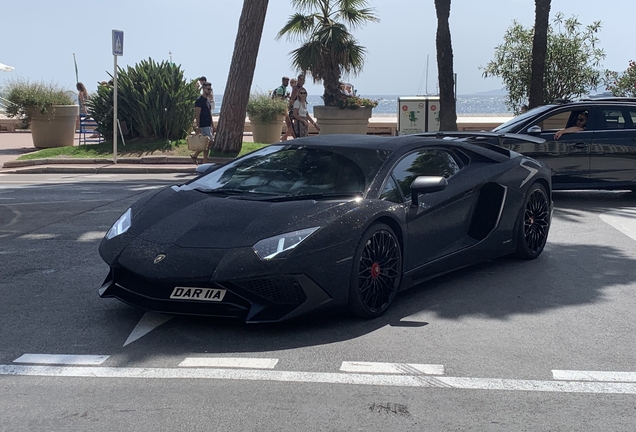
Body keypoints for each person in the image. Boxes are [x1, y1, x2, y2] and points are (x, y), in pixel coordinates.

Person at [191, 82, 214, 163]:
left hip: (208, 125)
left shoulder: (208, 100)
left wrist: (213, 125)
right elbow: (197, 114)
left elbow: (209, 113)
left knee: (206, 143)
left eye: (210, 89)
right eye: (208, 89)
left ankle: (197, 156)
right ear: (203, 89)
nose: (209, 91)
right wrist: (198, 126)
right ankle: (202, 159)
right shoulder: (199, 100)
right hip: (203, 125)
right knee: (209, 142)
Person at [281, 76, 304, 141]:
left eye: (293, 82)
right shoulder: (296, 88)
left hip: (298, 108)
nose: (291, 83)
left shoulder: (296, 88)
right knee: (294, 123)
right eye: (291, 82)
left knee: (295, 123)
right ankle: (286, 136)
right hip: (296, 109)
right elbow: (292, 100)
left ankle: (287, 136)